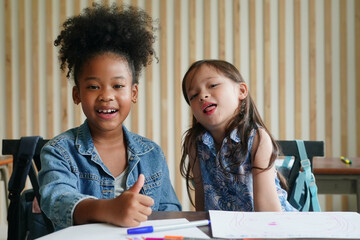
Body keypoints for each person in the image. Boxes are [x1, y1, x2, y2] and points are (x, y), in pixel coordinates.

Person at [39, 3, 181, 231]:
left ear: (133, 93)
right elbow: (57, 200)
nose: (106, 96)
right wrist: (110, 209)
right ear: (77, 95)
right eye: (93, 86)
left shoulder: (152, 154)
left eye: (117, 85)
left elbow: (170, 212)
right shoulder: (59, 151)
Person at [180, 59, 296, 212]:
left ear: (241, 91)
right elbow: (202, 198)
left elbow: (268, 210)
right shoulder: (194, 142)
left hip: (268, 225)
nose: (202, 96)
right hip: (223, 230)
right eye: (193, 95)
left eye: (213, 85)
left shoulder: (257, 138)